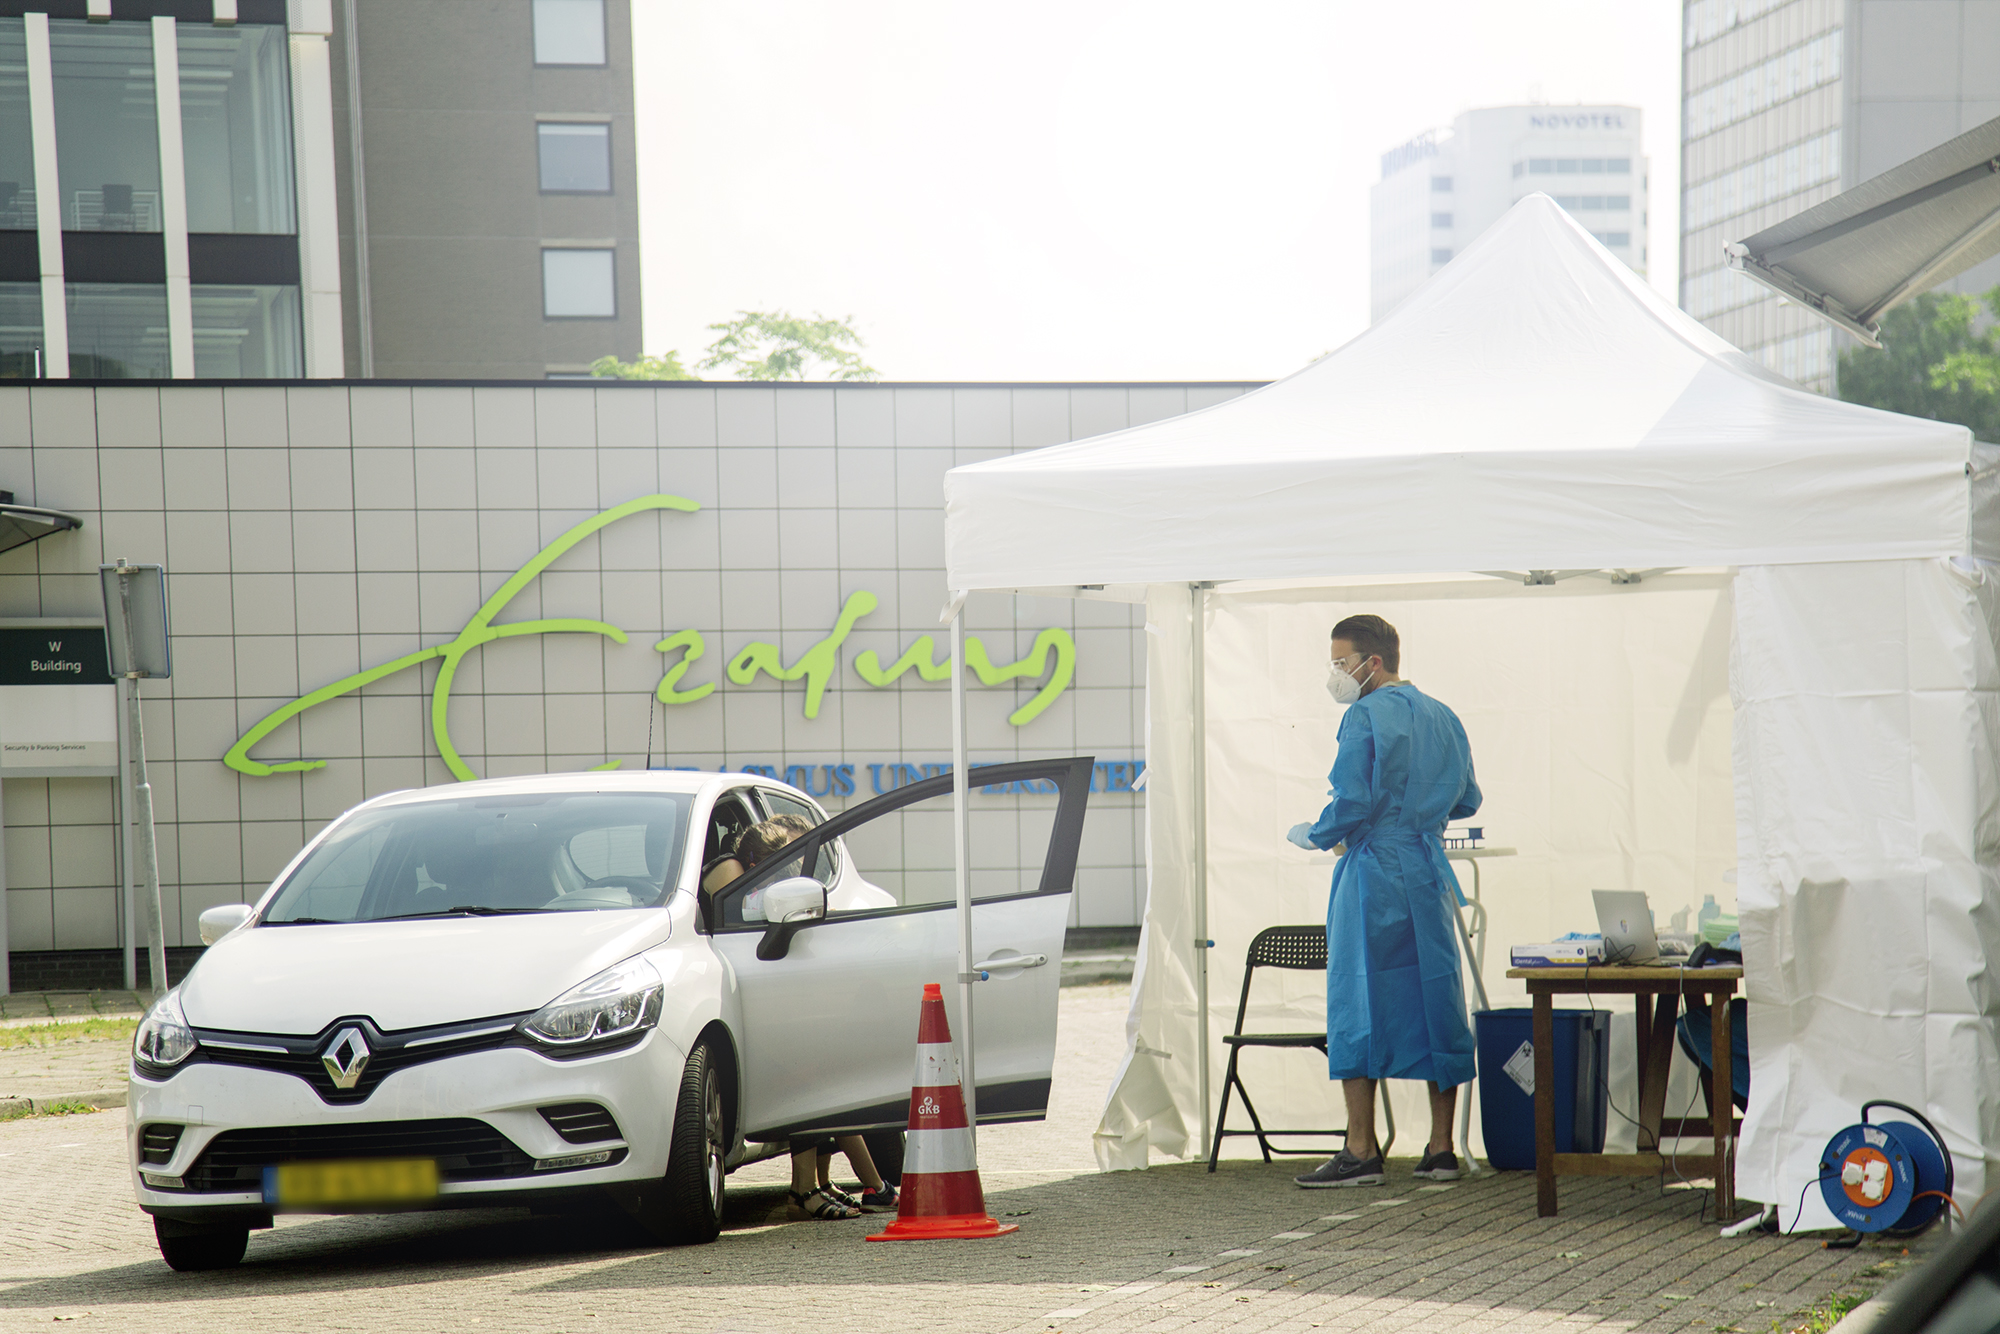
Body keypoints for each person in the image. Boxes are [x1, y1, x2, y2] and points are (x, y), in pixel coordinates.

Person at [1285, 614, 1481, 1188]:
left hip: (1372, 871)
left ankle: (1361, 1150)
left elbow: (1350, 800)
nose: (1336, 674)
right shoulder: (1443, 715)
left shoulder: (1364, 715)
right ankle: (1441, 1149)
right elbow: (1467, 799)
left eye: (1341, 663)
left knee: (1357, 996)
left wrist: (1315, 833)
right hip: (1425, 870)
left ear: (1372, 663)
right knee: (1437, 997)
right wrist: (1421, 814)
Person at [703, 814, 899, 1220]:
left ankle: (832, 1185)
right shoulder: (728, 870)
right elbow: (741, 914)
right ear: (763, 862)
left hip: (768, 997)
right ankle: (815, 1189)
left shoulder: (757, 879)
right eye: (789, 863)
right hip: (731, 1001)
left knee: (821, 1076)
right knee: (811, 1079)